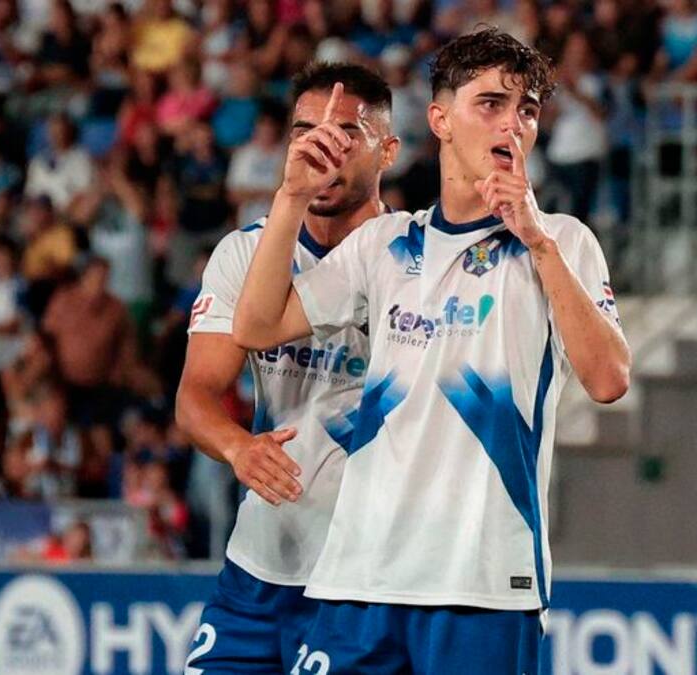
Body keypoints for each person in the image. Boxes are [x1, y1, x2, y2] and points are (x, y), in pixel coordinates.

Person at [234, 29, 630, 673]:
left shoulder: (562, 241)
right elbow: (256, 327)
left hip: (482, 586)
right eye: (491, 104)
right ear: (440, 120)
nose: (513, 123)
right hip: (358, 581)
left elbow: (609, 378)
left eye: (527, 109)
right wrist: (292, 196)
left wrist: (536, 240)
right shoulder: (385, 244)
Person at [177, 62, 396, 672]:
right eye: (306, 128)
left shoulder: (413, 261)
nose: (323, 144)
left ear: (388, 152)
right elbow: (196, 394)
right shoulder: (244, 252)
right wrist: (238, 448)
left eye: (346, 132)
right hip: (257, 562)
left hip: (357, 575)